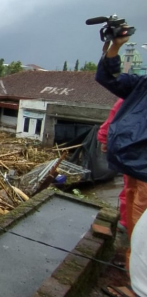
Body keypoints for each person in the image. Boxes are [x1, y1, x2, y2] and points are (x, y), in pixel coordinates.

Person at [95, 33, 147, 294]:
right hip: (132, 167)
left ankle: (138, 286)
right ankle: (130, 274)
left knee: (143, 230)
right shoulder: (142, 85)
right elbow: (108, 77)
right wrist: (114, 46)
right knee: (131, 218)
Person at [98, 99, 127, 229]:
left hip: (137, 156)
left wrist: (105, 139)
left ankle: (127, 227)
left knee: (134, 193)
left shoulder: (137, 91)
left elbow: (116, 114)